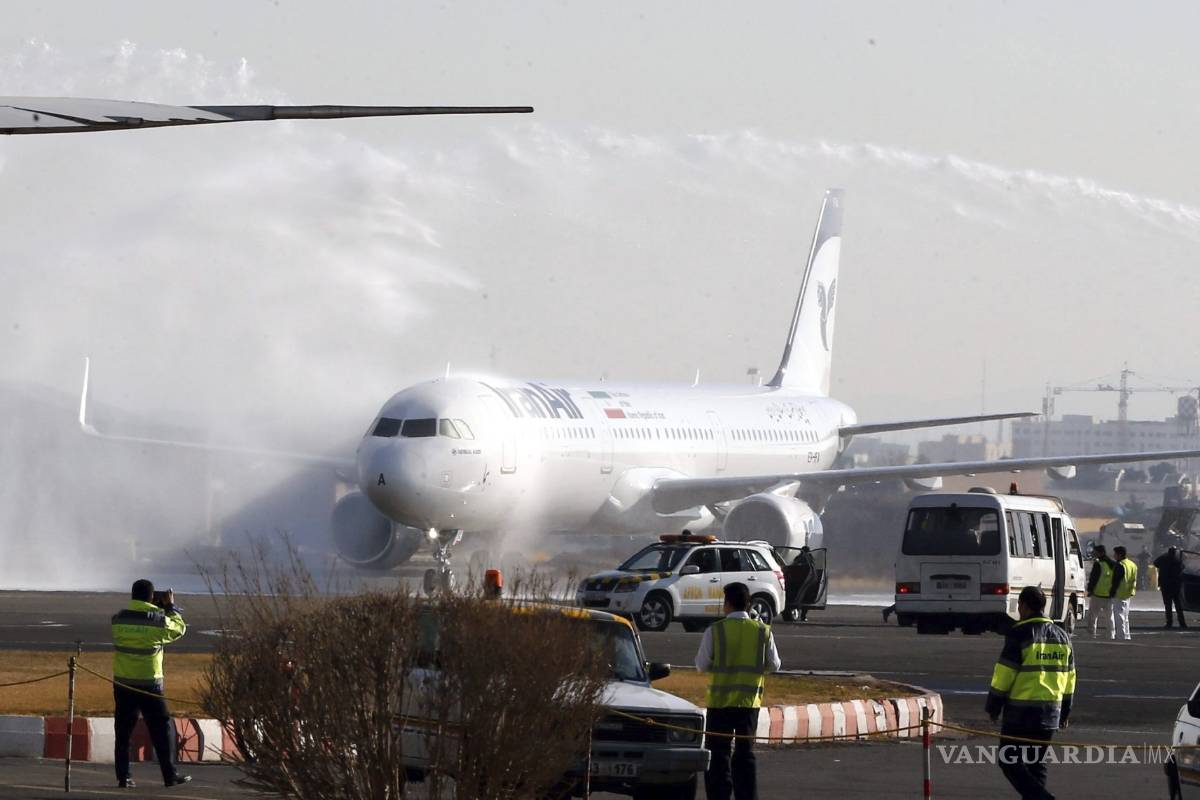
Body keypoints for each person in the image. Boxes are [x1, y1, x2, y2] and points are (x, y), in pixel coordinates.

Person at [986, 585, 1075, 800]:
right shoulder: (1063, 636)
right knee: (1037, 764)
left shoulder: (1019, 633)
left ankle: (1043, 798)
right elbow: (1070, 678)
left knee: (1008, 760)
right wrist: (1064, 712)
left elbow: (1004, 674)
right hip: (1050, 711)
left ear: (1023, 606)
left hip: (1021, 712)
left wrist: (993, 705)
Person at [695, 583, 782, 800]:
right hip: (748, 704)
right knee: (745, 755)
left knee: (718, 755)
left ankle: (719, 796)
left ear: (727, 604)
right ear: (749, 604)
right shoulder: (762, 631)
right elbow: (775, 665)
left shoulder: (715, 630)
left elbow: (701, 664)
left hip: (719, 703)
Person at [111, 579, 190, 788]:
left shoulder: (119, 619)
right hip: (149, 683)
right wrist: (170, 608)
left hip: (123, 683)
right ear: (151, 597)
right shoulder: (157, 620)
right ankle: (169, 774)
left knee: (123, 731)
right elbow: (179, 630)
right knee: (161, 730)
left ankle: (123, 777)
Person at [1085, 545, 1117, 639]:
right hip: (1109, 595)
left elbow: (1093, 578)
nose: (1094, 554)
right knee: (1110, 617)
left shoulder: (1098, 563)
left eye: (1095, 552)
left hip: (1097, 594)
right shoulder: (1113, 564)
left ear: (1100, 552)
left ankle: (1091, 634)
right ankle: (1111, 635)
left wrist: (1090, 590)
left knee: (1092, 616)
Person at [1154, 546, 1189, 629]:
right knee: (1178, 606)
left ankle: (1169, 623)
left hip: (1165, 585)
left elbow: (1155, 563)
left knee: (1168, 605)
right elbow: (1183, 567)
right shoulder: (1178, 560)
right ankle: (1182, 623)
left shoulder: (1163, 559)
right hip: (1176, 586)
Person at [1112, 546, 1137, 641]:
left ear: (1119, 555)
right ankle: (1126, 635)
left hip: (1119, 593)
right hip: (1128, 592)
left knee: (1119, 616)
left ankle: (1121, 636)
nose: (1114, 556)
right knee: (1125, 616)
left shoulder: (1120, 565)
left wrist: (1112, 591)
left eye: (1115, 554)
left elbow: (1116, 580)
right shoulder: (1132, 564)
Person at [791, 546, 817, 622]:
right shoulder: (809, 558)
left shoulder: (800, 558)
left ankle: (799, 615)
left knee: (799, 599)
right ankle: (802, 616)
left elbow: (794, 565)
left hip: (801, 582)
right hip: (805, 582)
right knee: (805, 600)